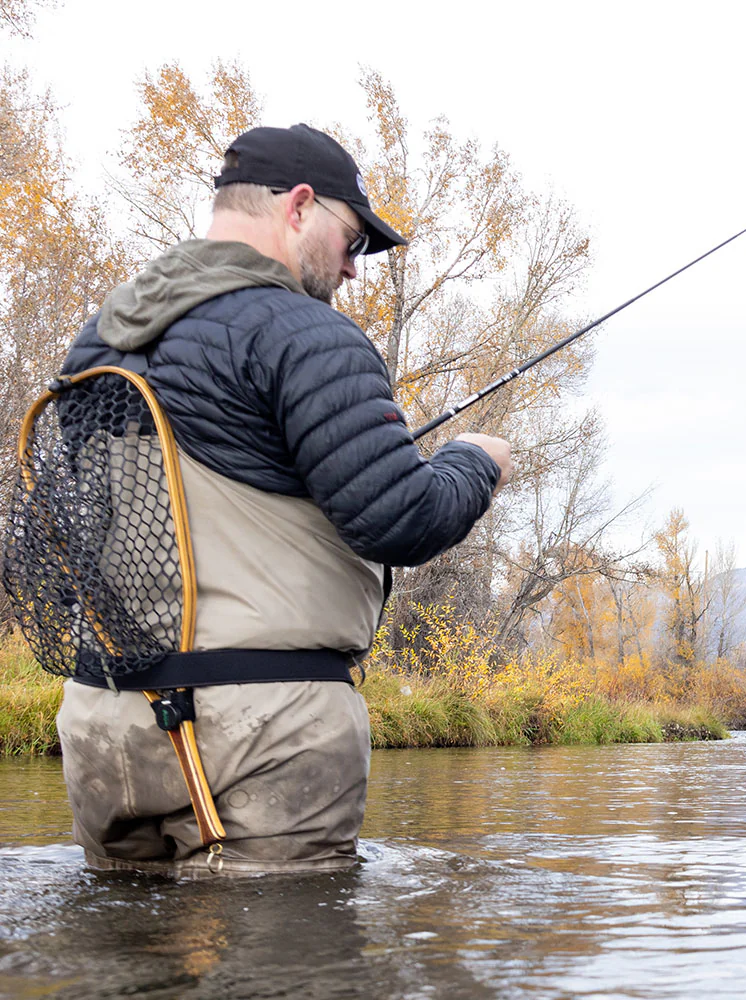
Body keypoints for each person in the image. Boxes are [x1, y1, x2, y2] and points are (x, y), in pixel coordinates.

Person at [54, 123, 512, 876]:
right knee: (288, 964)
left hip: (104, 730)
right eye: (353, 240)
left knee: (122, 966)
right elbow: (401, 517)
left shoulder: (98, 340)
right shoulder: (304, 334)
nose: (355, 269)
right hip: (260, 733)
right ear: (299, 207)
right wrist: (474, 462)